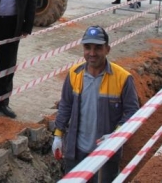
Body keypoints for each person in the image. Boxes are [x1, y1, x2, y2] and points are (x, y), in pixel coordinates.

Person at [52, 26, 139, 183]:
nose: (92, 53)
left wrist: (116, 136)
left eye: (98, 48)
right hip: (76, 152)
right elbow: (65, 106)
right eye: (87, 47)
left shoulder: (123, 78)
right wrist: (58, 136)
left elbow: (132, 112)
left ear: (107, 49)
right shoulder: (74, 74)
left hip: (106, 154)